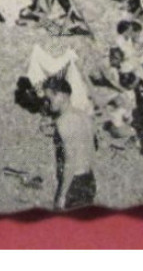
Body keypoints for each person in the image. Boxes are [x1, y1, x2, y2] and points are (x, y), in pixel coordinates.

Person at [45, 74, 97, 209]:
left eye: (49, 99)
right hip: (89, 179)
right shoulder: (85, 116)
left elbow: (70, 160)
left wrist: (62, 195)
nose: (47, 103)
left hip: (73, 184)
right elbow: (92, 146)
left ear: (61, 96)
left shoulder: (63, 122)